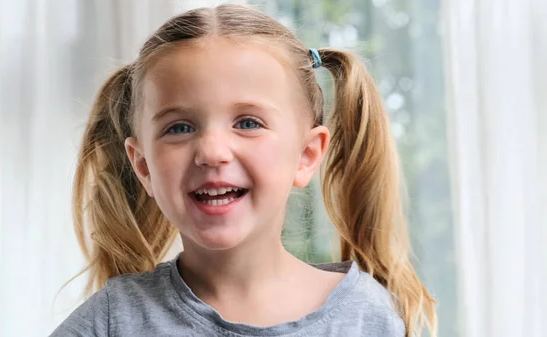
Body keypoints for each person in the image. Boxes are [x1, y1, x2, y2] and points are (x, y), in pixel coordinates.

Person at [50, 4, 436, 337]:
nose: (212, 152)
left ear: (306, 155)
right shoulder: (111, 321)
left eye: (248, 123)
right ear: (143, 166)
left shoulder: (367, 318)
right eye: (180, 128)